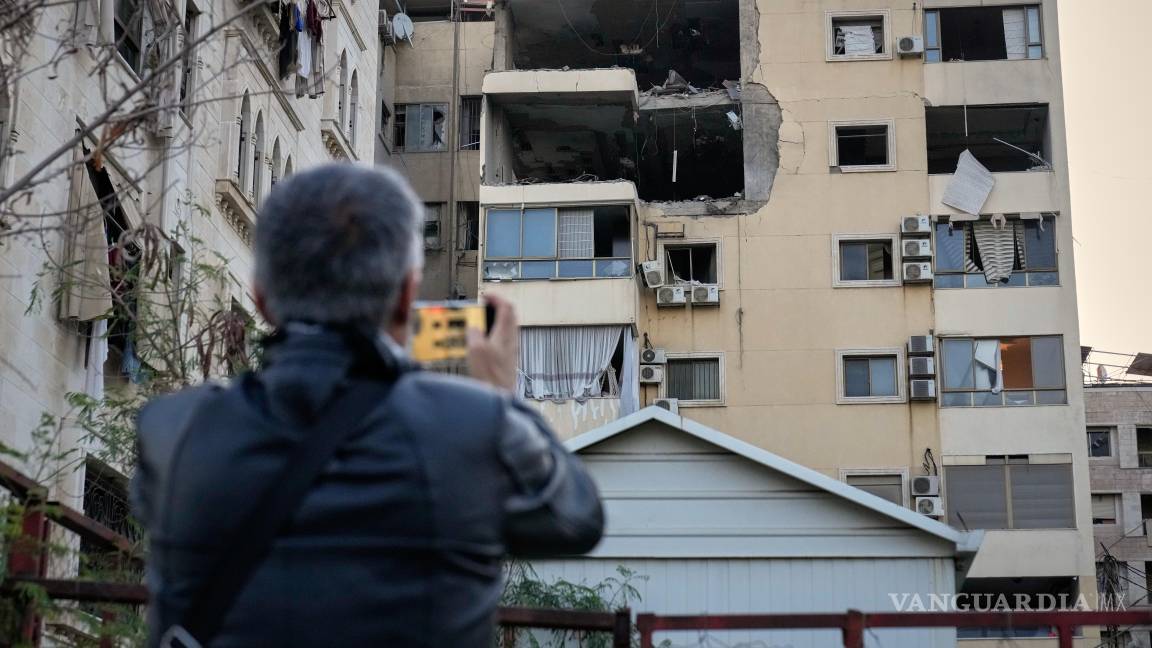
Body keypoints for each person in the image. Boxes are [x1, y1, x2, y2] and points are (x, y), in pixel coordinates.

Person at [132, 164, 604, 647]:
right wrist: (501, 395)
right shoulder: (475, 426)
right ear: (406, 296)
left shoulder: (170, 431)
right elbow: (577, 519)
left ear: (261, 299)